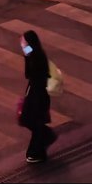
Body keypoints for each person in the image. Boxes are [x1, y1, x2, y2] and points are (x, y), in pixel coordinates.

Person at [17, 30, 58, 163]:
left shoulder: (37, 57)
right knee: (30, 121)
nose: (22, 44)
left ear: (30, 43)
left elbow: (32, 75)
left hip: (38, 96)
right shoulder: (34, 54)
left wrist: (27, 54)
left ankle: (38, 150)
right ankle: (43, 141)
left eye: (24, 42)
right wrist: (26, 54)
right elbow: (28, 74)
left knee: (33, 121)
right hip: (34, 94)